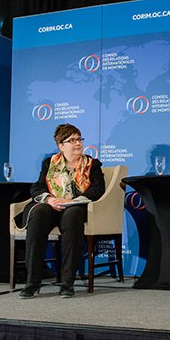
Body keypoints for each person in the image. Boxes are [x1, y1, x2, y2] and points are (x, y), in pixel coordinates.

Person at [18, 124, 105, 298]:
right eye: (72, 140)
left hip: (76, 207)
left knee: (72, 216)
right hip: (53, 206)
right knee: (38, 213)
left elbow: (98, 189)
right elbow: (37, 188)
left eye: (79, 139)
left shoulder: (91, 164)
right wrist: (50, 199)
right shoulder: (50, 163)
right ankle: (32, 282)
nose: (78, 143)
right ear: (61, 145)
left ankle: (67, 283)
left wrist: (72, 201)